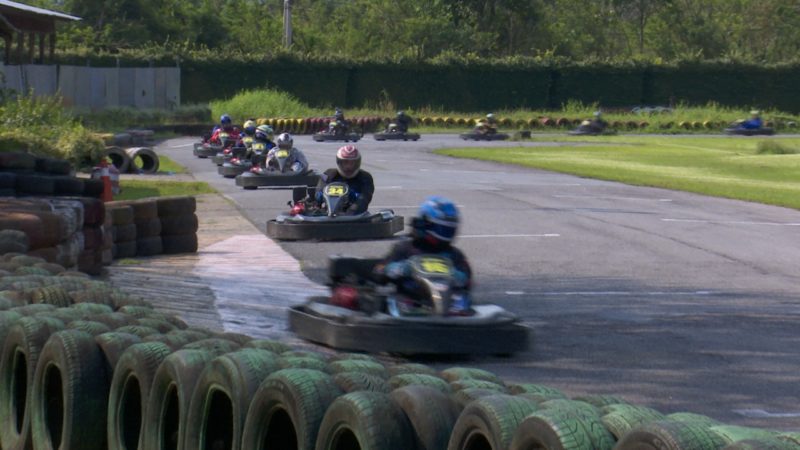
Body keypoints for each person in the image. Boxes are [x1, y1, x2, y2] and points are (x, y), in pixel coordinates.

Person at [372, 196, 473, 315]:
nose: (446, 234)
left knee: (463, 300)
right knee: (386, 300)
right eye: (443, 229)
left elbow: (467, 280)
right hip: (410, 301)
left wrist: (459, 277)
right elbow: (379, 271)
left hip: (450, 305)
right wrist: (398, 269)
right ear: (426, 224)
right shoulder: (406, 248)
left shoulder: (454, 254)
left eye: (448, 229)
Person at [314, 145, 374, 215]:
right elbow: (318, 194)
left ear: (358, 163)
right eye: (345, 163)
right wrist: (325, 195)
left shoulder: (365, 177)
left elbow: (365, 198)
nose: (348, 167)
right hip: (328, 214)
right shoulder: (328, 174)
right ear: (339, 162)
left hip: (355, 216)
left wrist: (350, 196)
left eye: (352, 163)